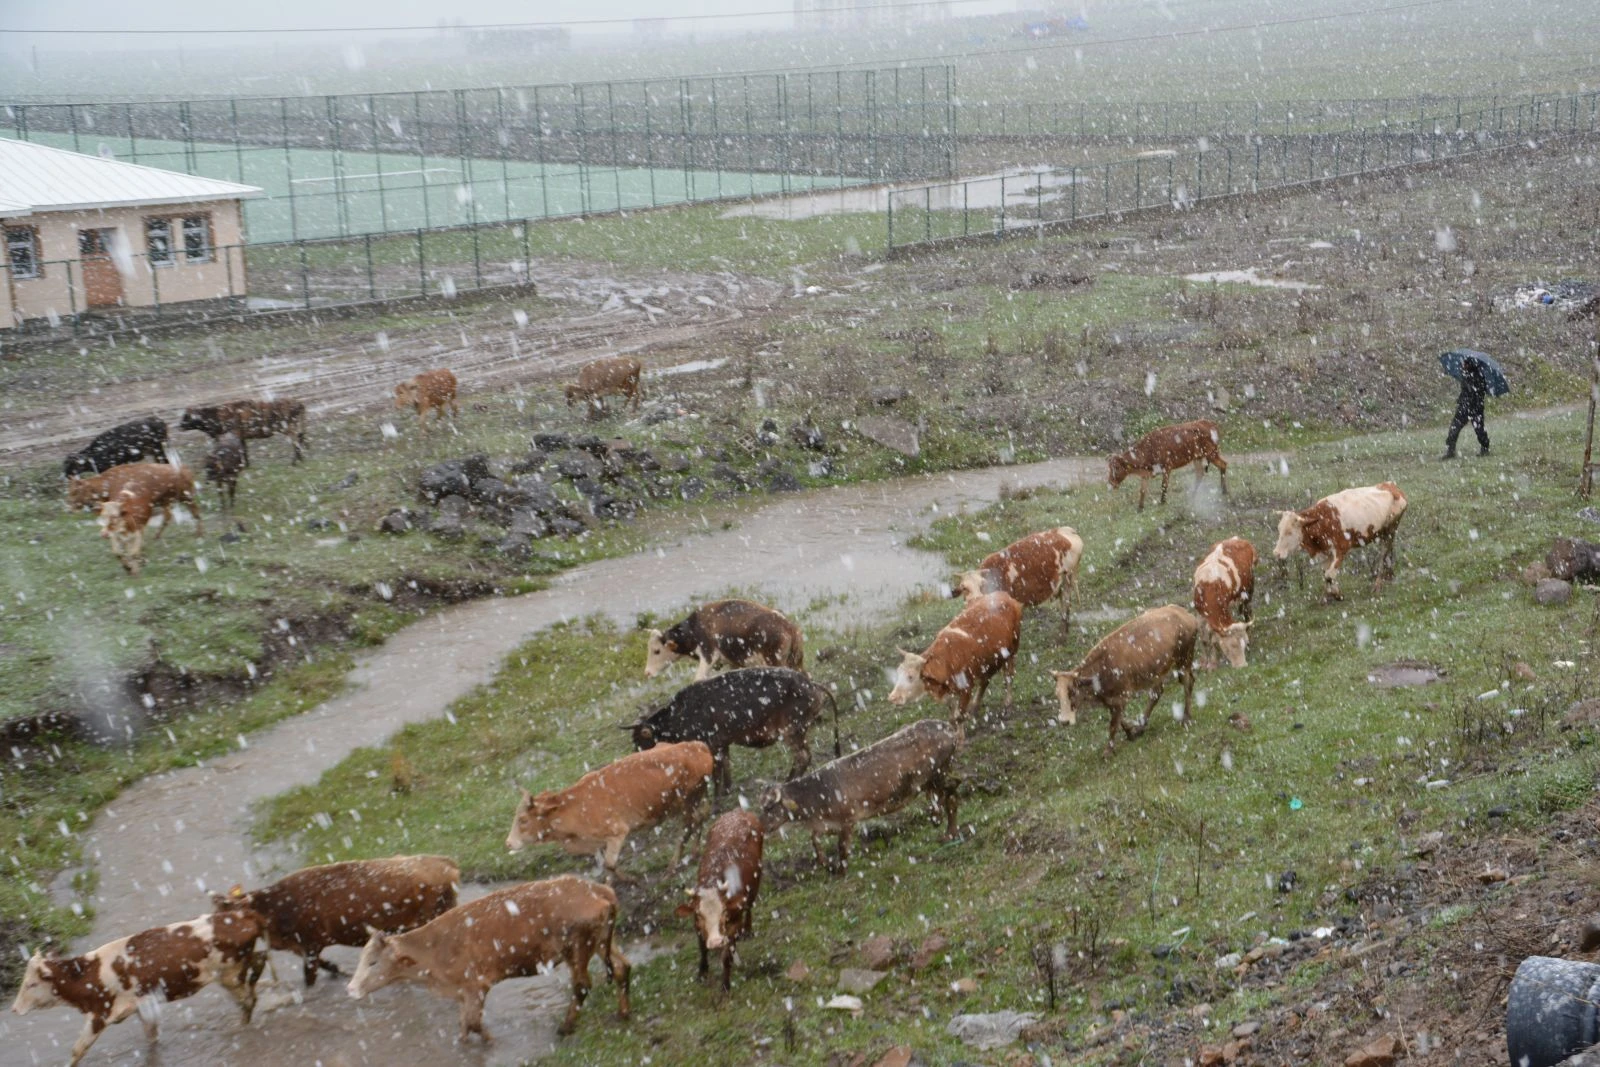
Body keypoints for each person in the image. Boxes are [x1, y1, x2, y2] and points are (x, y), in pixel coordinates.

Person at [1441, 357, 1490, 459]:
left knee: (1479, 429)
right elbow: (1466, 391)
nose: (1462, 365)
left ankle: (1485, 448)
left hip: (1474, 407)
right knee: (1454, 428)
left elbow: (1478, 392)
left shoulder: (1478, 376)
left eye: (1465, 364)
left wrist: (1470, 386)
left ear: (1469, 365)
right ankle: (1451, 450)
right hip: (1465, 406)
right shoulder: (1467, 374)